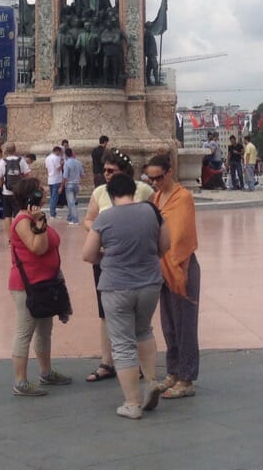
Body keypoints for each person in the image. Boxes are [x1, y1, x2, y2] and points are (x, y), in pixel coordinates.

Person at [83, 171, 169, 418]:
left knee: (121, 344)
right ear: (134, 190)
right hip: (150, 283)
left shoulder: (105, 218)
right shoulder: (152, 212)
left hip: (116, 286)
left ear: (110, 194)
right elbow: (165, 245)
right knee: (144, 330)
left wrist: (108, 256)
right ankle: (151, 380)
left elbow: (88, 255)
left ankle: (132, 403)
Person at [83, 149, 154, 383]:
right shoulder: (99, 192)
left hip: (135, 258)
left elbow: (155, 218)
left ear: (124, 172)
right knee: (105, 313)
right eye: (104, 170)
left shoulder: (143, 191)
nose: (106, 174)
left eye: (111, 171)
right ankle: (107, 361)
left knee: (137, 315)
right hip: (106, 257)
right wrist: (98, 232)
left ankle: (139, 364)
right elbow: (89, 219)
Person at [8, 176, 73, 396]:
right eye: (41, 191)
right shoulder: (23, 220)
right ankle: (20, 381)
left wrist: (40, 221)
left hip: (46, 282)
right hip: (27, 285)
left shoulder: (34, 217)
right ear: (32, 195)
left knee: (45, 330)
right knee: (25, 331)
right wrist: (40, 225)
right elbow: (38, 247)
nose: (45, 193)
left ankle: (46, 371)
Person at [143, 153, 200, 400]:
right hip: (162, 265)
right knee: (168, 323)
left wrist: (175, 265)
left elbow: (181, 236)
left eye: (158, 177)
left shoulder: (183, 197)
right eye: (150, 178)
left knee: (185, 324)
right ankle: (173, 371)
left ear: (169, 172)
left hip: (181, 265)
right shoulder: (156, 197)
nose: (154, 182)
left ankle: (187, 378)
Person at [0, 150, 31, 241]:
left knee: (7, 216)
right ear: (15, 150)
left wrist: (3, 186)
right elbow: (27, 175)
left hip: (6, 193)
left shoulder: (3, 161)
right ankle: (19, 236)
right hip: (18, 192)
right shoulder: (21, 160)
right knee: (19, 215)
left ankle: (10, 239)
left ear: (6, 152)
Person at [62, 147, 85, 225]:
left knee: (71, 203)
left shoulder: (66, 163)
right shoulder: (79, 162)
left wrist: (62, 186)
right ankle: (70, 217)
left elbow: (65, 176)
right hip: (76, 184)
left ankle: (75, 219)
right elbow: (82, 174)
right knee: (72, 201)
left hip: (69, 184)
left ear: (66, 155)